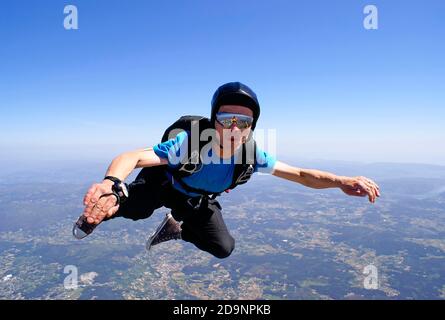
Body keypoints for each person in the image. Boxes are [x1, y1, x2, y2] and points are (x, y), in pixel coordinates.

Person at [78, 82, 380, 259]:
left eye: (244, 122)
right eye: (226, 120)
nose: (234, 129)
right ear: (213, 121)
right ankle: (103, 209)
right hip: (165, 183)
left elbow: (300, 174)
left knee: (223, 247)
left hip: (195, 199)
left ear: (252, 128)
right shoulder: (191, 143)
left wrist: (340, 181)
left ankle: (175, 227)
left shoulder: (250, 154)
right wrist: (112, 183)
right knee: (134, 208)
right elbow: (133, 157)